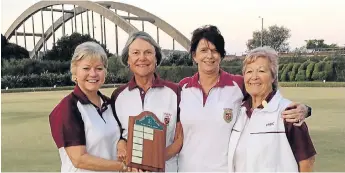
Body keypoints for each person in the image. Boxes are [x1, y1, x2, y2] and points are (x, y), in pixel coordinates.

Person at [177, 25, 311, 172]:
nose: (209, 56)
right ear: (194, 55)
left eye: (215, 50)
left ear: (221, 55)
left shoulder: (239, 84)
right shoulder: (182, 88)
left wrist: (305, 109)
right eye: (203, 50)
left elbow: (268, 96)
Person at [227, 46, 316, 172]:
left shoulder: (289, 113)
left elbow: (307, 161)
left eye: (261, 71)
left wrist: (306, 109)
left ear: (273, 77)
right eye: (249, 71)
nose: (254, 76)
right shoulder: (238, 111)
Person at [110, 31, 183, 172]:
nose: (142, 58)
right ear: (128, 60)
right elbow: (118, 137)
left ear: (156, 58)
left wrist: (152, 163)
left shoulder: (175, 92)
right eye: (136, 53)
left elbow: (180, 139)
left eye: (148, 52)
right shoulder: (118, 95)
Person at [49, 42, 127, 172]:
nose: (93, 74)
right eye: (86, 68)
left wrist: (122, 142)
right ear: (75, 71)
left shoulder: (111, 104)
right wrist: (124, 167)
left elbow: (120, 135)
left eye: (99, 68)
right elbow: (79, 159)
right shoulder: (67, 108)